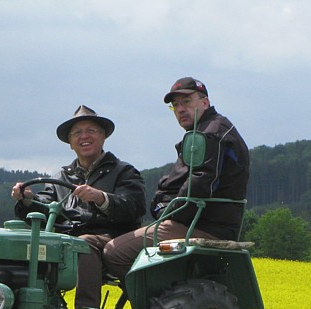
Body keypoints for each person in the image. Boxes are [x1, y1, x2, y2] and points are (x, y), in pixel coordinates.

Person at [103, 77, 249, 281]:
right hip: (205, 222)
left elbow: (199, 184)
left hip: (202, 226)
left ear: (204, 102)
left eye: (186, 102)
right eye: (176, 105)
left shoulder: (208, 134)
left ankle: (158, 296)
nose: (180, 109)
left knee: (113, 251)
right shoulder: (209, 130)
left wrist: (169, 213)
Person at [11, 105, 146, 309]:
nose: (84, 136)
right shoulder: (62, 176)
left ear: (103, 137)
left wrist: (100, 198)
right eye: (77, 133)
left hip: (109, 239)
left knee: (84, 243)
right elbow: (45, 205)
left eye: (91, 130)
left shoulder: (123, 172)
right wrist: (28, 199)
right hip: (65, 239)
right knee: (20, 242)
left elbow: (134, 207)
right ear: (70, 143)